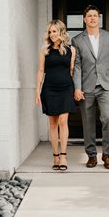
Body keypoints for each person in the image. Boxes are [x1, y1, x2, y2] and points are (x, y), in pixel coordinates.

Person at [71, 5, 109, 169]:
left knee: (108, 118)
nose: (93, 18)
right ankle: (91, 156)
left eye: (95, 15)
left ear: (99, 18)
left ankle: (107, 154)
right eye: (89, 16)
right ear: (84, 19)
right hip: (86, 87)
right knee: (88, 123)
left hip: (106, 85)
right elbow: (77, 66)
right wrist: (77, 87)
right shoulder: (77, 40)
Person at [35, 20, 76, 171]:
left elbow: (72, 71)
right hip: (49, 89)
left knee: (63, 121)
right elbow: (40, 71)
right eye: (50, 32)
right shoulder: (44, 51)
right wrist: (37, 91)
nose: (52, 34)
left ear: (61, 32)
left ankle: (64, 155)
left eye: (55, 31)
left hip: (66, 88)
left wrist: (76, 89)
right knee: (53, 123)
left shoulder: (71, 50)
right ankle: (55, 156)